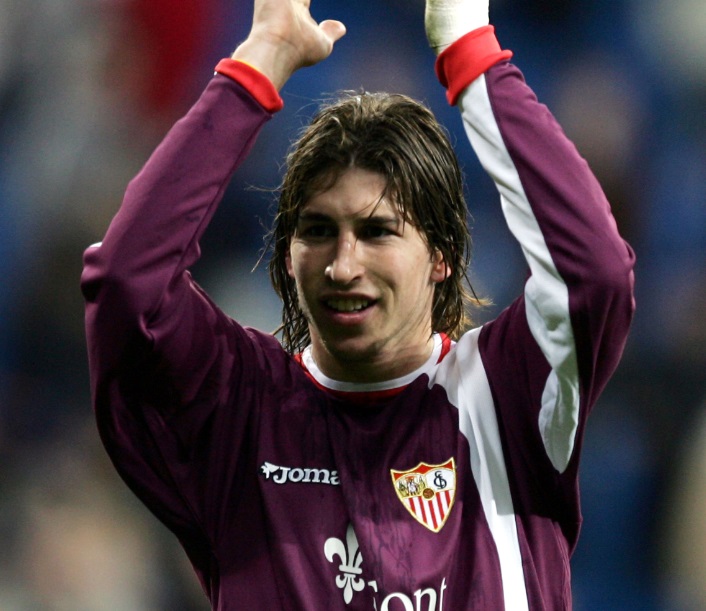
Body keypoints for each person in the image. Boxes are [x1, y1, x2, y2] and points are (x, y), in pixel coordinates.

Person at [81, 0, 636, 607]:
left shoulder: (507, 397)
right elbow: (127, 283)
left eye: (377, 233)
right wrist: (260, 60)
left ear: (442, 254)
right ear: (286, 255)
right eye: (318, 231)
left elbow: (594, 272)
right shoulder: (238, 409)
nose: (343, 267)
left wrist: (469, 49)